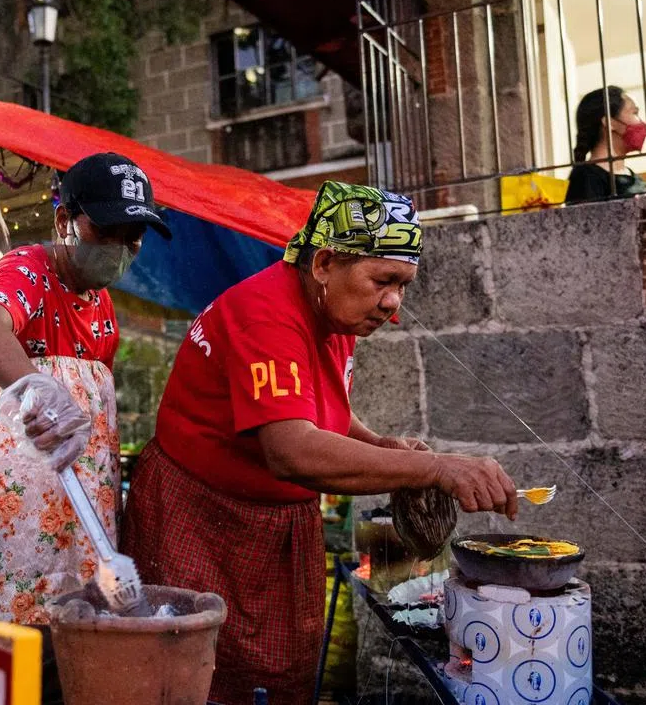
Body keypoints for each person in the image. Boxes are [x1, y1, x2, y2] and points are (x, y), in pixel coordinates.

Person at [121, 181, 518, 704]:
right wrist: (435, 469)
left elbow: (315, 406)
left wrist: (379, 443)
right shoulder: (266, 313)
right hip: (197, 520)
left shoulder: (334, 313)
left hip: (270, 524)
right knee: (190, 679)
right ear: (326, 262)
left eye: (403, 286)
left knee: (271, 681)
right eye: (384, 281)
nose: (393, 305)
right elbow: (291, 448)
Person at [0, 152, 170, 623]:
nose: (120, 248)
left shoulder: (103, 307)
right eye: (105, 232)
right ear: (64, 220)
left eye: (133, 238)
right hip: (4, 506)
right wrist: (34, 386)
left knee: (69, 625)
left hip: (71, 508)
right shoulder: (27, 269)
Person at [565, 85, 646, 204]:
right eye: (635, 113)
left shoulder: (634, 177)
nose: (641, 122)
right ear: (610, 123)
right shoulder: (585, 178)